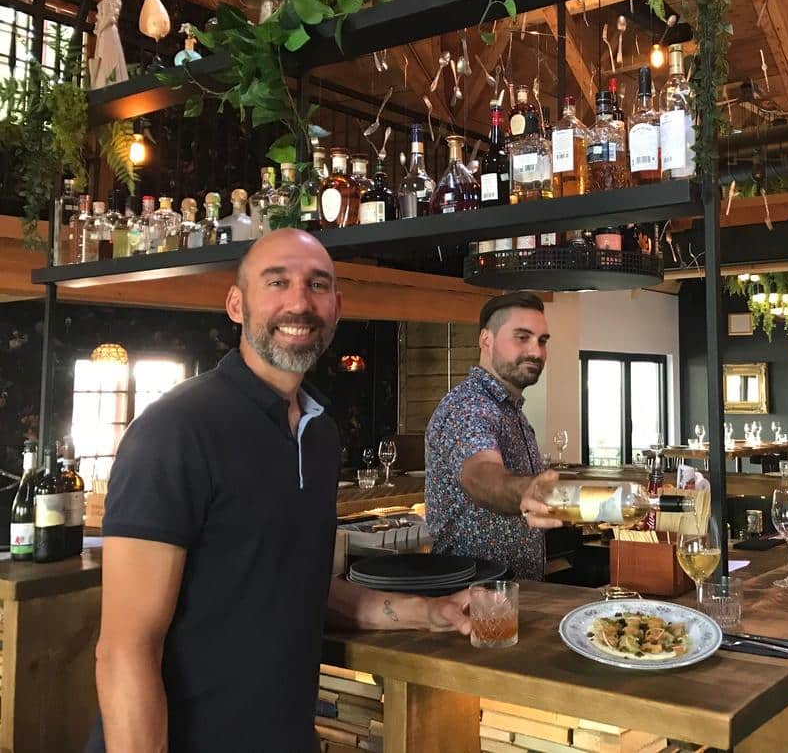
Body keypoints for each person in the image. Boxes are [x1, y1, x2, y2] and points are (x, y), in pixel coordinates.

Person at [88, 230, 470, 753]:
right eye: (277, 282)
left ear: (336, 307)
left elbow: (294, 580)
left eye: (317, 285)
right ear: (236, 304)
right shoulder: (175, 430)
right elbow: (125, 649)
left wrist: (431, 613)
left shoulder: (318, 433)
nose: (299, 302)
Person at [424, 291, 562, 579]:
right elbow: (480, 472)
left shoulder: (511, 410)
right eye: (522, 337)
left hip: (512, 597)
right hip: (469, 602)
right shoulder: (468, 406)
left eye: (542, 341)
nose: (536, 352)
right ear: (486, 340)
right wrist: (523, 491)